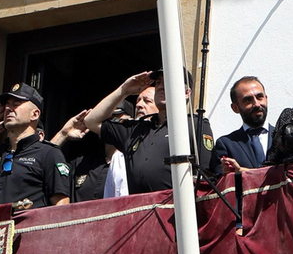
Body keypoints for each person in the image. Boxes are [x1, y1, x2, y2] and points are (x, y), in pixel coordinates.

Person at [85, 68, 215, 193]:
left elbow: (206, 176)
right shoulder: (136, 130)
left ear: (186, 93)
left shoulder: (195, 124)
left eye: (168, 81)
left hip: (175, 212)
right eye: (158, 82)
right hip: (139, 211)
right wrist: (124, 90)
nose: (161, 87)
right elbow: (91, 121)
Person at [214, 77, 272, 173]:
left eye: (259, 97)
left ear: (266, 99)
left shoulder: (283, 137)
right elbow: (222, 183)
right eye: (248, 100)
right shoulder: (226, 145)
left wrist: (242, 171)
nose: (256, 104)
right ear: (235, 108)